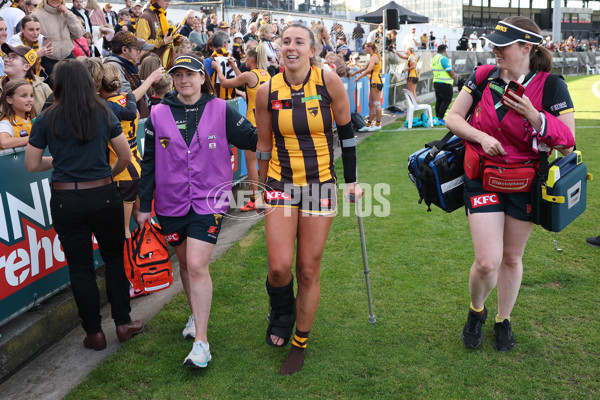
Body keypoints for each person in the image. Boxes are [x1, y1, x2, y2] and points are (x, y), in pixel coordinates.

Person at [446, 17, 575, 352]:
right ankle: (477, 311)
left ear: (527, 48)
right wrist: (480, 137)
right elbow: (452, 117)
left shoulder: (551, 87)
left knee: (512, 258)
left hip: (524, 183)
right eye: (494, 43)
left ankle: (503, 319)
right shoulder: (482, 77)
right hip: (483, 178)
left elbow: (567, 143)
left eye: (502, 45)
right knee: (488, 260)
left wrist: (535, 115)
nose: (495, 50)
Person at [254, 23, 363, 375]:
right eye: (285, 41)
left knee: (307, 269)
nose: (291, 47)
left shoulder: (328, 81)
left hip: (320, 184)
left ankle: (299, 340)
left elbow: (346, 134)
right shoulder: (266, 89)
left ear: (311, 50)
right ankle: (282, 310)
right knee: (279, 266)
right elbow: (264, 145)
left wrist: (353, 181)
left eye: (299, 42)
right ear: (278, 48)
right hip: (280, 182)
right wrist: (258, 189)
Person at [136, 54, 257, 368]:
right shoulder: (158, 113)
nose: (184, 80)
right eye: (178, 75)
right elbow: (147, 163)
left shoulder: (221, 109)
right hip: (171, 203)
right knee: (185, 265)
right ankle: (195, 313)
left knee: (196, 263)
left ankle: (202, 343)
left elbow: (254, 139)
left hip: (209, 201)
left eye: (190, 74)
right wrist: (144, 205)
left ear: (203, 78)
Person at [25, 58, 144, 351]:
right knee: (114, 260)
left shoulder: (46, 118)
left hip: (67, 198)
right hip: (103, 194)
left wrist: (61, 162)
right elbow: (125, 157)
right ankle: (123, 323)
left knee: (79, 268)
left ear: (59, 85)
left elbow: (32, 164)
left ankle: (94, 333)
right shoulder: (104, 112)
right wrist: (106, 174)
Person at [212, 45, 270, 212]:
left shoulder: (248, 75)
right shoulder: (266, 74)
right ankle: (268, 195)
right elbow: (248, 85)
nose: (244, 59)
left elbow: (224, 83)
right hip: (267, 124)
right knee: (265, 161)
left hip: (253, 124)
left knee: (252, 164)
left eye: (246, 57)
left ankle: (254, 199)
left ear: (251, 59)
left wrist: (217, 68)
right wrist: (235, 68)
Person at [104, 30, 162, 118]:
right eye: (136, 49)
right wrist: (151, 78)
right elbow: (127, 99)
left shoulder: (124, 64)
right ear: (124, 50)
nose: (138, 52)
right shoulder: (114, 66)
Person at [32, 0, 85, 82]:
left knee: (78, 84)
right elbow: (30, 40)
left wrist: (67, 14)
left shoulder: (67, 13)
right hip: (48, 59)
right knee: (54, 91)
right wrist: (37, 63)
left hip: (68, 56)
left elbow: (79, 34)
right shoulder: (36, 15)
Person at [0, 43, 51, 115]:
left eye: (13, 57)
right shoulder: (1, 85)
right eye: (7, 57)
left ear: (26, 67)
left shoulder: (43, 89)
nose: (6, 60)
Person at [136, 0, 182, 68]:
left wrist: (176, 40)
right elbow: (142, 43)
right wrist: (162, 42)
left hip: (162, 63)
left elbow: (164, 40)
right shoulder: (145, 17)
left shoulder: (161, 15)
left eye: (169, 1)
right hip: (149, 65)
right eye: (166, 0)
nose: (168, 3)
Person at [349, 41, 382, 131]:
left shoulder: (374, 57)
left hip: (376, 82)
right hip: (374, 82)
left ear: (370, 48)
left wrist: (359, 76)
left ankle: (378, 124)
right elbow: (365, 68)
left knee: (376, 104)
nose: (364, 49)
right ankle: (368, 125)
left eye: (366, 47)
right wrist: (355, 72)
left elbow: (368, 70)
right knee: (371, 104)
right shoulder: (373, 57)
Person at [0, 79, 34, 149]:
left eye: (31, 95)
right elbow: (4, 143)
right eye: (24, 96)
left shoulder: (32, 119)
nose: (30, 99)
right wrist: (34, 138)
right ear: (9, 99)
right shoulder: (5, 123)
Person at [431, 44, 456, 124]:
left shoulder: (434, 58)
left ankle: (437, 118)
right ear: (444, 51)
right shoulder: (443, 58)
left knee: (439, 100)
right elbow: (449, 70)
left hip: (436, 82)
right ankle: (440, 118)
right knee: (447, 100)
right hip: (445, 83)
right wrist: (454, 76)